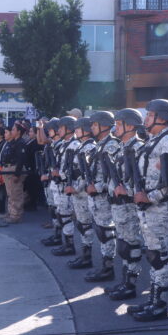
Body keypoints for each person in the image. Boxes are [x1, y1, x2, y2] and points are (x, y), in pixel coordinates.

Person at [126, 99, 168, 323]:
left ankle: (159, 304)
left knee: (158, 256)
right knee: (152, 253)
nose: (146, 119)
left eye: (150, 115)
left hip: (158, 207)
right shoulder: (153, 141)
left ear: (163, 118)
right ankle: (153, 299)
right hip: (146, 207)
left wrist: (149, 197)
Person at [105, 109, 145, 300]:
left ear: (130, 126)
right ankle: (124, 281)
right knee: (123, 245)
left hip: (130, 206)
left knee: (130, 245)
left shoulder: (138, 148)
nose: (115, 128)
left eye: (119, 124)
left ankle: (131, 284)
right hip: (119, 206)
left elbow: (143, 182)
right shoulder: (123, 147)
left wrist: (126, 191)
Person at [84, 111, 120, 282]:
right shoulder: (100, 144)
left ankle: (108, 268)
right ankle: (105, 265)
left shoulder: (111, 145)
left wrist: (96, 187)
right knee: (101, 231)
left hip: (104, 198)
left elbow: (115, 177)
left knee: (106, 232)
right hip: (97, 198)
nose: (91, 127)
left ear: (104, 126)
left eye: (94, 124)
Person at [64, 117, 97, 266]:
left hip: (82, 193)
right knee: (81, 224)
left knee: (85, 225)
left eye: (78, 128)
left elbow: (87, 173)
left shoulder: (89, 147)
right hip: (78, 192)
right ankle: (84, 255)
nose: (75, 131)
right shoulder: (81, 146)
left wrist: (76, 188)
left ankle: (87, 257)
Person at [51, 116, 81, 256]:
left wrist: (60, 174)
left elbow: (76, 169)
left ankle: (70, 246)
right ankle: (66, 243)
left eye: (61, 128)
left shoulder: (75, 145)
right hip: (62, 186)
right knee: (62, 214)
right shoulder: (64, 144)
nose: (58, 130)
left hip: (70, 186)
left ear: (68, 129)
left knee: (66, 216)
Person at [0, 123, 27, 223]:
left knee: (16, 194)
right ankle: (11, 212)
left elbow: (21, 159)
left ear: (19, 132)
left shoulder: (20, 142)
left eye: (13, 130)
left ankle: (16, 215)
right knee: (10, 193)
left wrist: (17, 174)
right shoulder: (14, 142)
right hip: (8, 169)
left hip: (14, 169)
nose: (12, 131)